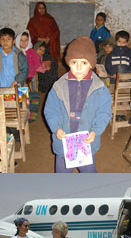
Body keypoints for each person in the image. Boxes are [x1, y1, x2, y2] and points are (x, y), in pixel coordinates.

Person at [44, 36, 112, 173]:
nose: (79, 67)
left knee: (89, 174)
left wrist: (95, 131)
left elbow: (104, 112)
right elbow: (51, 110)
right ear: (68, 62)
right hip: (64, 142)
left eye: (84, 63)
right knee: (62, 176)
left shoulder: (100, 88)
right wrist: (56, 128)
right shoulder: (59, 86)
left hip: (86, 142)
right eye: (75, 62)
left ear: (92, 64)